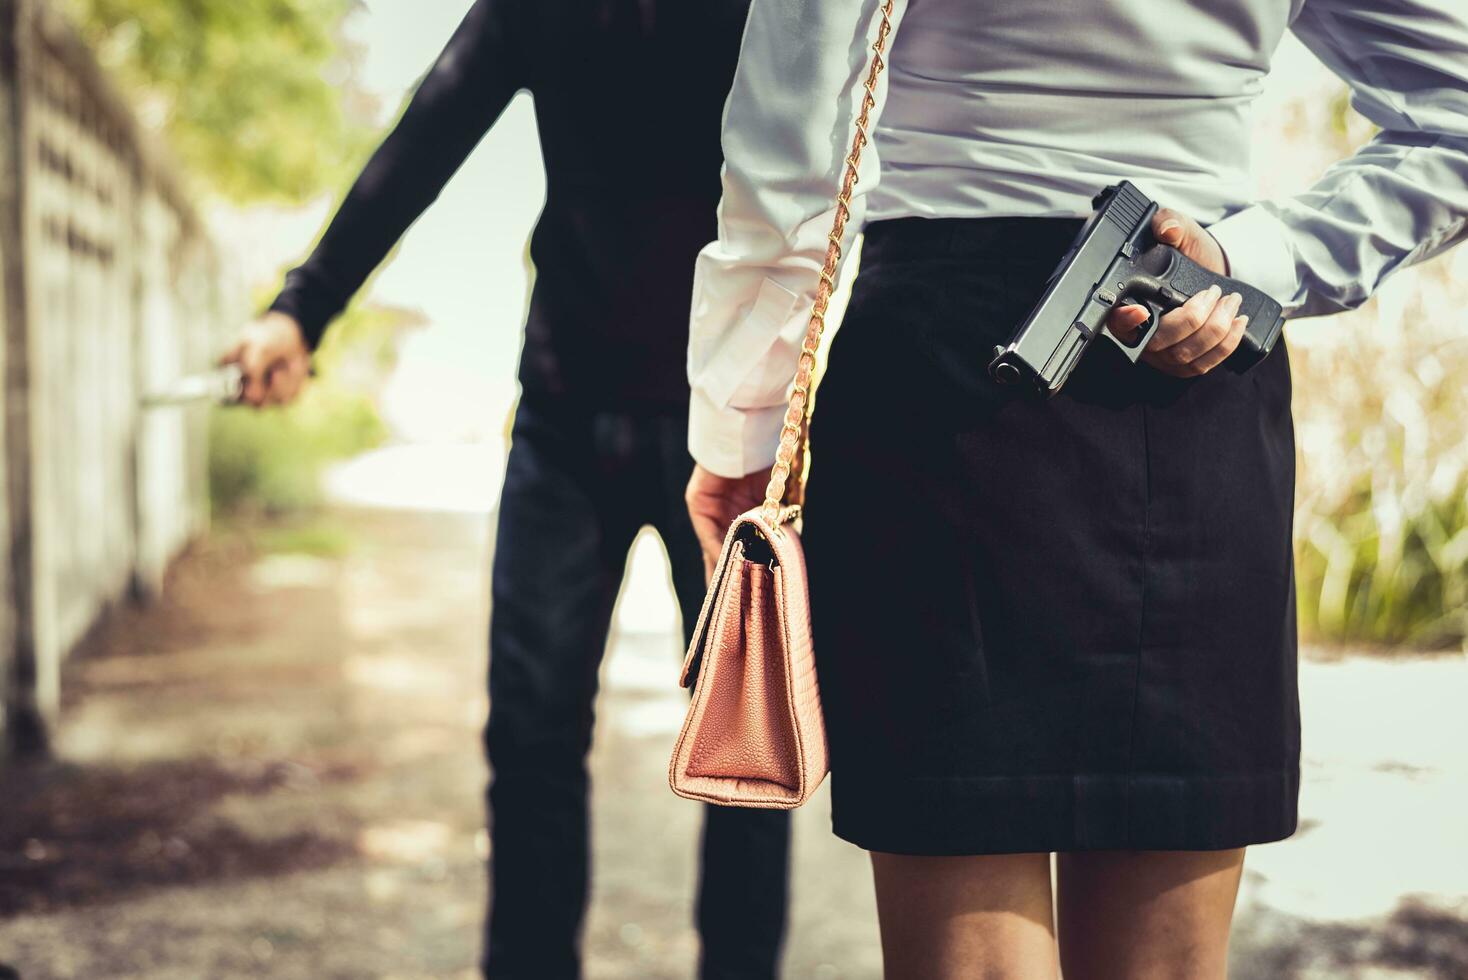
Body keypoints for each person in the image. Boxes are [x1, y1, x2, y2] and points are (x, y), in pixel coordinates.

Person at [683, 0, 1468, 977]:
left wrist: (737, 435)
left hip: (939, 386)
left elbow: (781, 168)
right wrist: (1251, 260)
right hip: (1197, 364)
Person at [223, 1, 792, 977]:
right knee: (529, 738)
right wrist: (302, 307)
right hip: (565, 413)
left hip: (732, 425)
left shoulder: (769, 12)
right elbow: (429, 131)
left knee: (744, 753)